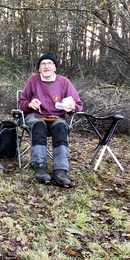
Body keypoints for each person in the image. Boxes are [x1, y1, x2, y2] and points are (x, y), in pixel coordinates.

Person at [18, 53, 83, 188]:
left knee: (60, 127)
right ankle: (39, 166)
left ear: (55, 67)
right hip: (36, 116)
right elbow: (21, 103)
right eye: (43, 64)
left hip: (56, 117)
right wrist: (30, 104)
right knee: (39, 124)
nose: (46, 66)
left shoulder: (64, 82)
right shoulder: (33, 80)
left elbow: (78, 105)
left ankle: (60, 170)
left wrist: (72, 107)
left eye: (49, 63)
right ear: (39, 68)